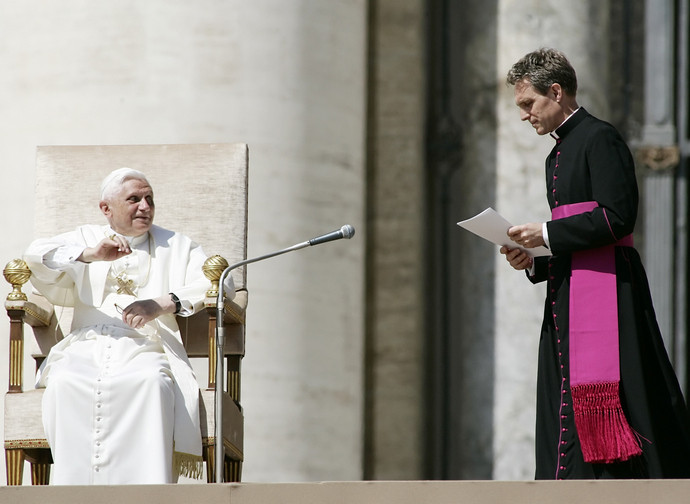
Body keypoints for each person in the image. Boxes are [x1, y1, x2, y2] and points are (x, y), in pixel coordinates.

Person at [501, 48, 690, 479]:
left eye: (528, 104)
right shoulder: (556, 155)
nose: (524, 116)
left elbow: (616, 216)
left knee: (634, 401)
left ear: (556, 91)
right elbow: (575, 241)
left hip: (611, 296)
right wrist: (533, 259)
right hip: (567, 296)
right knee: (560, 396)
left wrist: (546, 233)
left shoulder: (599, 137)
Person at [24, 168, 226, 484]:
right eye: (134, 199)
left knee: (151, 383)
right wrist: (89, 255)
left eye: (150, 199)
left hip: (144, 344)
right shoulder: (86, 237)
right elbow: (35, 257)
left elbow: (218, 282)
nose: (145, 206)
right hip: (84, 345)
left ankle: (147, 496)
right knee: (64, 384)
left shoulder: (177, 244)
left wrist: (161, 303)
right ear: (106, 208)